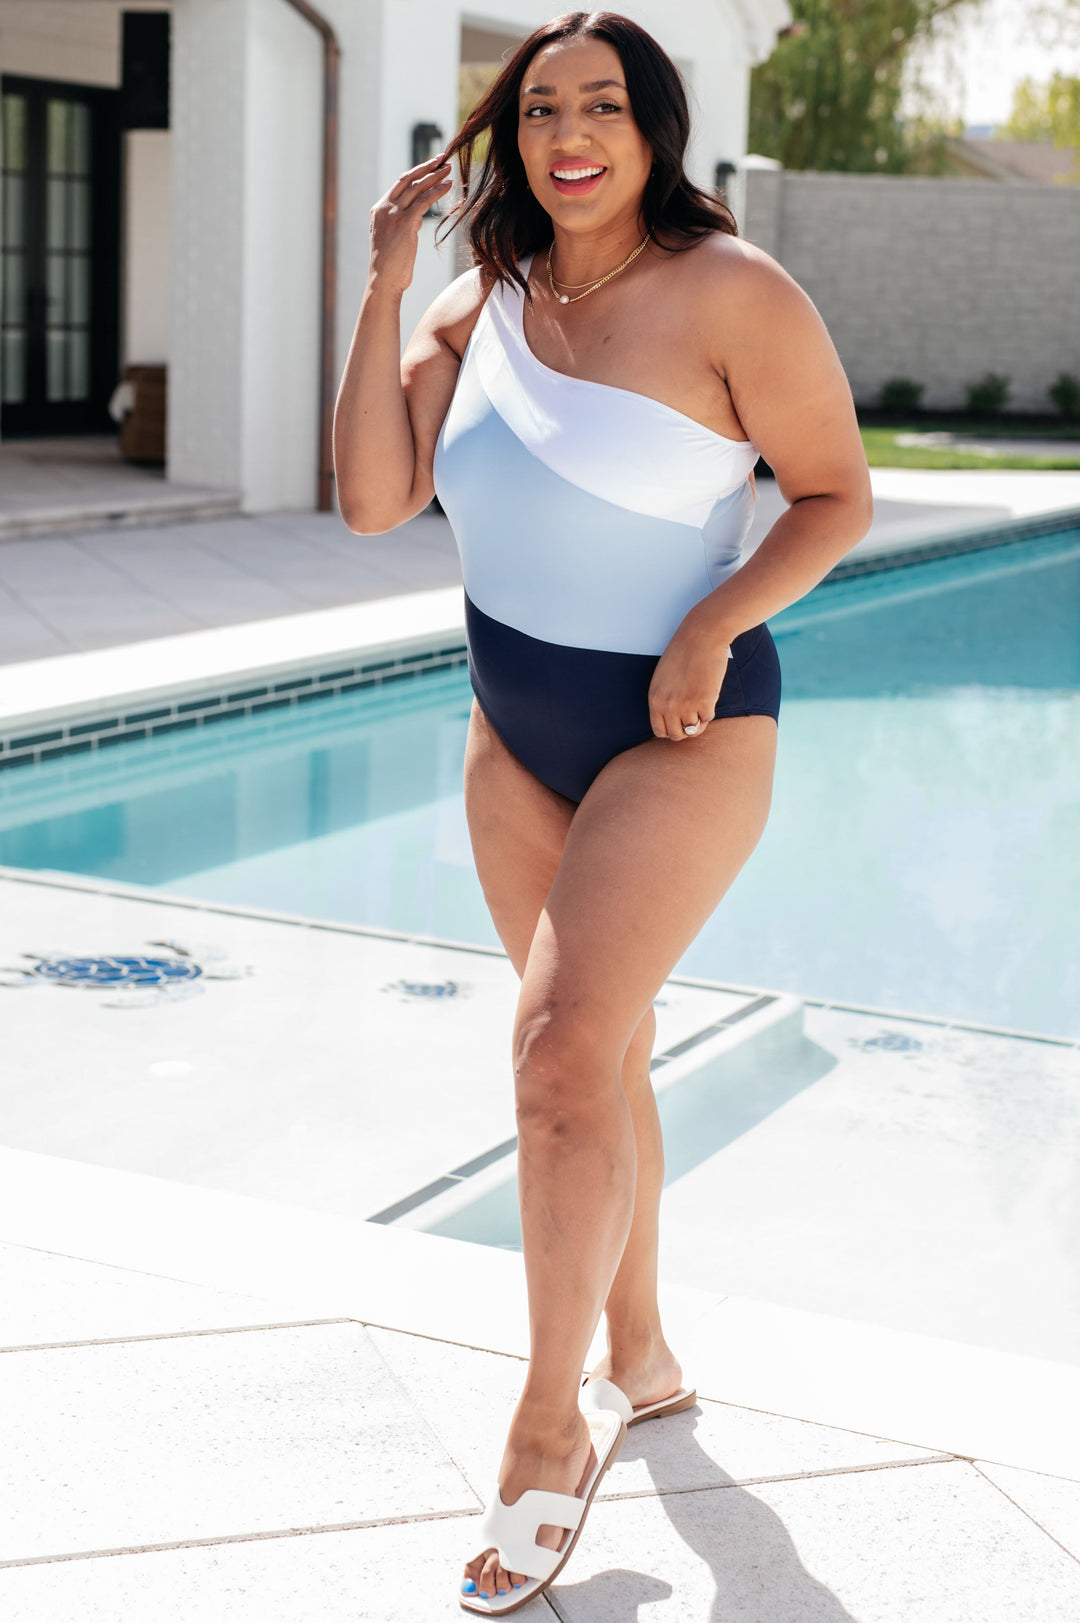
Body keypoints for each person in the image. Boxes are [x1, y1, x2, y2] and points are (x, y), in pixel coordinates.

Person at [333, 10, 872, 1614]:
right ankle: (640, 1350)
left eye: (604, 107)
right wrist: (382, 280)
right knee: (601, 1050)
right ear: (508, 139)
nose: (571, 133)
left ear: (654, 129)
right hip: (518, 734)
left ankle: (545, 1427)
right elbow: (374, 501)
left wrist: (712, 621)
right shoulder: (475, 299)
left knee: (562, 1054)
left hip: (683, 727)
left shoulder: (732, 294)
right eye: (540, 108)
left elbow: (837, 491)